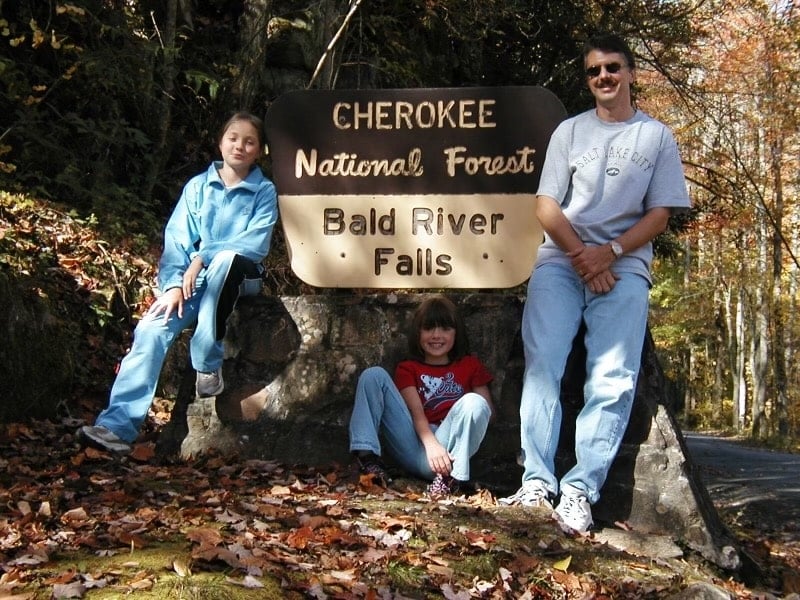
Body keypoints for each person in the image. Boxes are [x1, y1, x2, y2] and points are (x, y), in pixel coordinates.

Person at [499, 33, 691, 533]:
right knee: (543, 365)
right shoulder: (569, 132)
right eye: (593, 71)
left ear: (630, 74)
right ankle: (536, 482)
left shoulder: (657, 137)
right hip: (562, 260)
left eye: (612, 68)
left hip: (624, 266)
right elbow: (545, 206)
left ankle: (580, 491)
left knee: (611, 379)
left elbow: (660, 214)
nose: (603, 77)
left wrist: (610, 253)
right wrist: (583, 256)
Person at [78, 111, 279, 454]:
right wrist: (171, 285)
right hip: (194, 281)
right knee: (153, 327)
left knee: (227, 262)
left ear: (259, 150)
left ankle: (206, 361)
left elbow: (255, 245)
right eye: (233, 138)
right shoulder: (198, 187)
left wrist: (203, 256)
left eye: (249, 141)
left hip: (240, 279)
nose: (240, 146)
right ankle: (116, 427)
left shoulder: (264, 190)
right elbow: (177, 240)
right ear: (220, 142)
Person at [348, 296, 495, 498]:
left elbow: (487, 414)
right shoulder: (408, 368)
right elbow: (417, 414)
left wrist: (459, 421)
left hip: (450, 450)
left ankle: (451, 479)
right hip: (414, 443)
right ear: (418, 333)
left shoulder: (470, 365)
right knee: (373, 375)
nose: (436, 335)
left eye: (445, 329)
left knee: (477, 403)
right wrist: (432, 445)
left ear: (456, 333)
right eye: (428, 329)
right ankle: (367, 460)